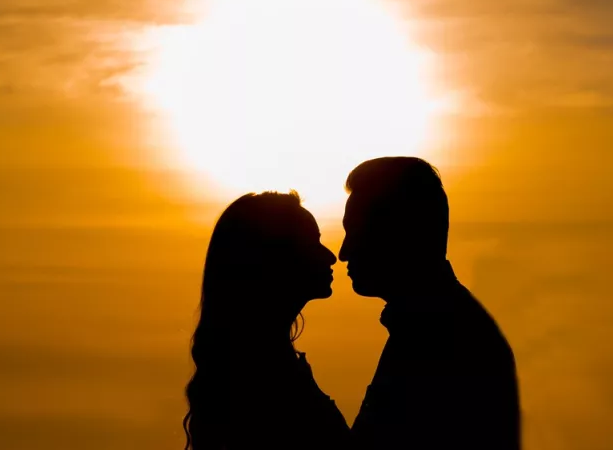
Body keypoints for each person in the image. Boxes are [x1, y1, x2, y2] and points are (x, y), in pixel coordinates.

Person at [339, 157, 521, 450]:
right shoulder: (429, 327)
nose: (343, 253)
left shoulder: (445, 340)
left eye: (355, 233)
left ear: (397, 235)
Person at [182, 191, 351, 450]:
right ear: (278, 258)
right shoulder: (258, 377)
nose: (331, 256)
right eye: (313, 242)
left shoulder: (253, 364)